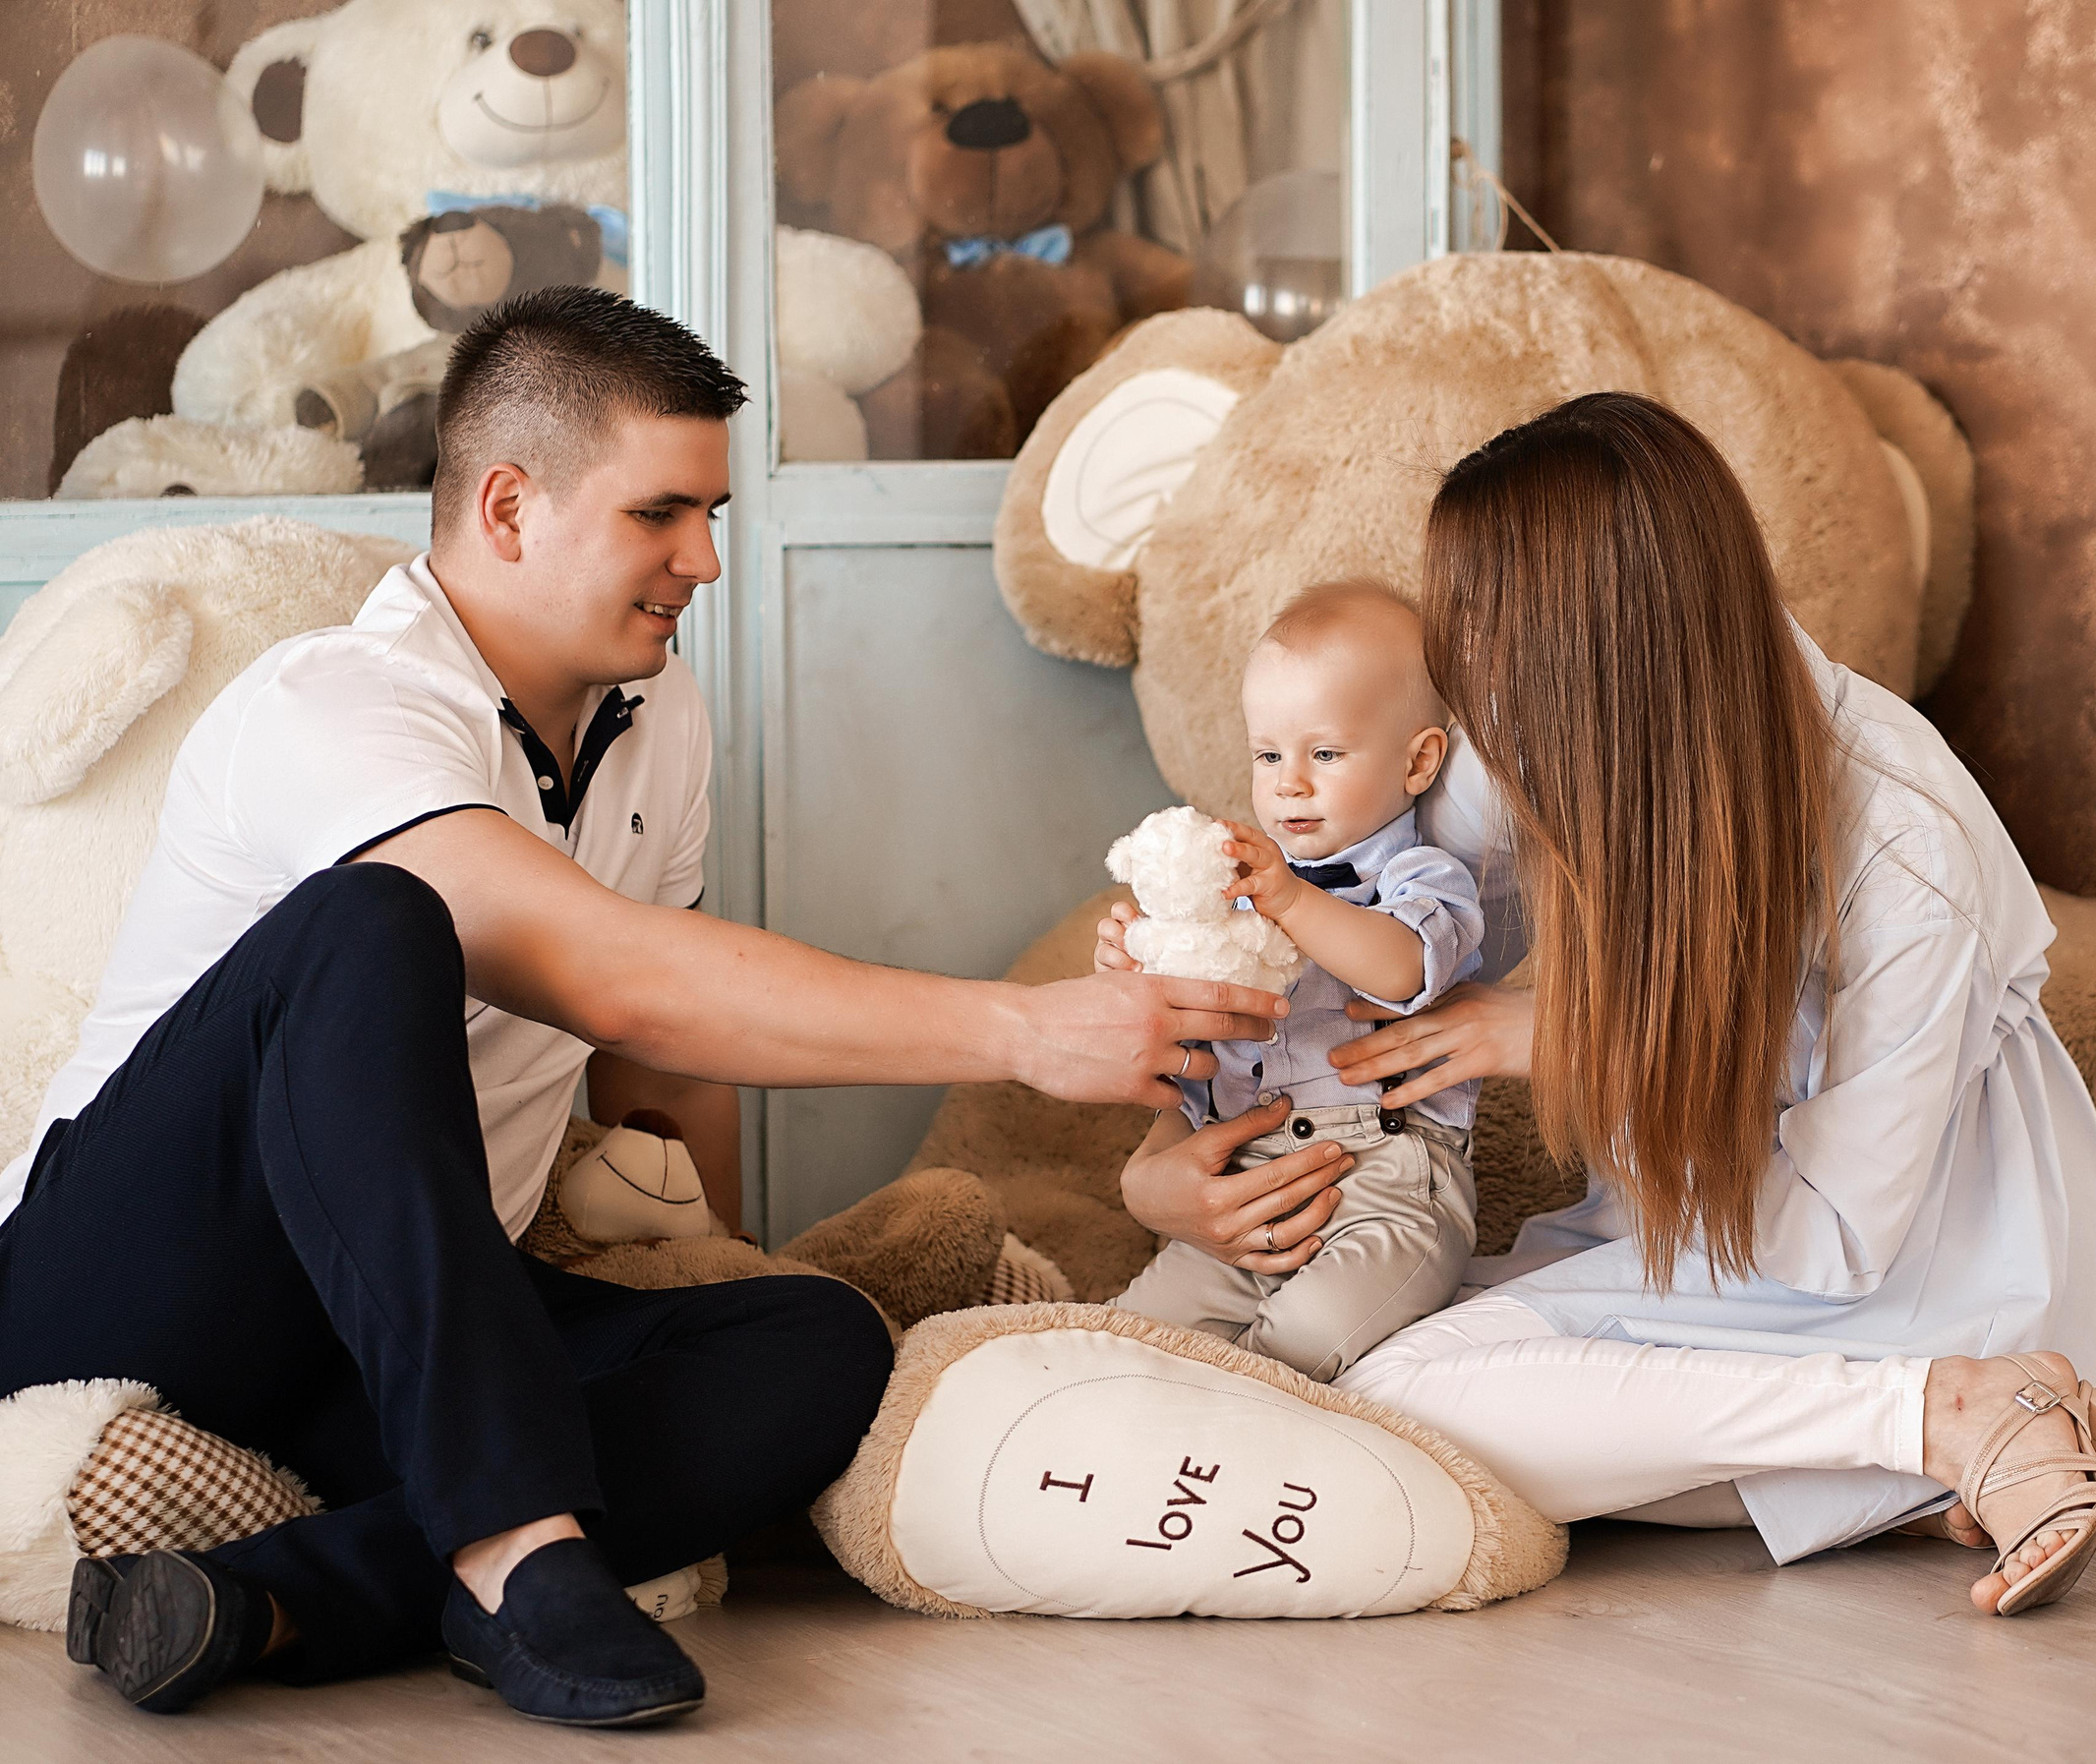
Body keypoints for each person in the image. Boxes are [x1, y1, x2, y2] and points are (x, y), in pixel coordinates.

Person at [0, 286, 1291, 1725]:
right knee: (372, 923)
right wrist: (1025, 1028)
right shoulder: (338, 701)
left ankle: (278, 1595)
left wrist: (713, 1264)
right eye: (662, 514)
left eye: (714, 512)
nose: (709, 560)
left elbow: (652, 1064)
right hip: (126, 1283)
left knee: (812, 1342)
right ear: (507, 507)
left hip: (398, 1325)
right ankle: (508, 1545)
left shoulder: (654, 713)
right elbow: (603, 970)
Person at [1123, 391, 2096, 1618]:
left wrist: (1573, 1047)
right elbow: (1391, 929)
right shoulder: (1549, 715)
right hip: (1684, 1228)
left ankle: (1948, 1408)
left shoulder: (1902, 848)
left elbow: (1836, 1239)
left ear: (1598, 652)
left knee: (1403, 1399)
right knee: (1371, 1350)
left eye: (1488, 652)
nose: (1472, 705)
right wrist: (1202, 948)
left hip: (1894, 1262)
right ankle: (1892, 1453)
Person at [1099, 582, 1483, 1382]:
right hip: (1248, 1187)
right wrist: (1137, 965)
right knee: (1128, 1343)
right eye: (1268, 755)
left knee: (1304, 1337)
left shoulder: (1419, 877)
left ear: (1418, 761)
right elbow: (1187, 1033)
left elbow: (1405, 967)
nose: (1289, 784)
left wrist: (1291, 899)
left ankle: (1236, 1445)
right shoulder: (1242, 888)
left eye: (1325, 754)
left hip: (1390, 1185)